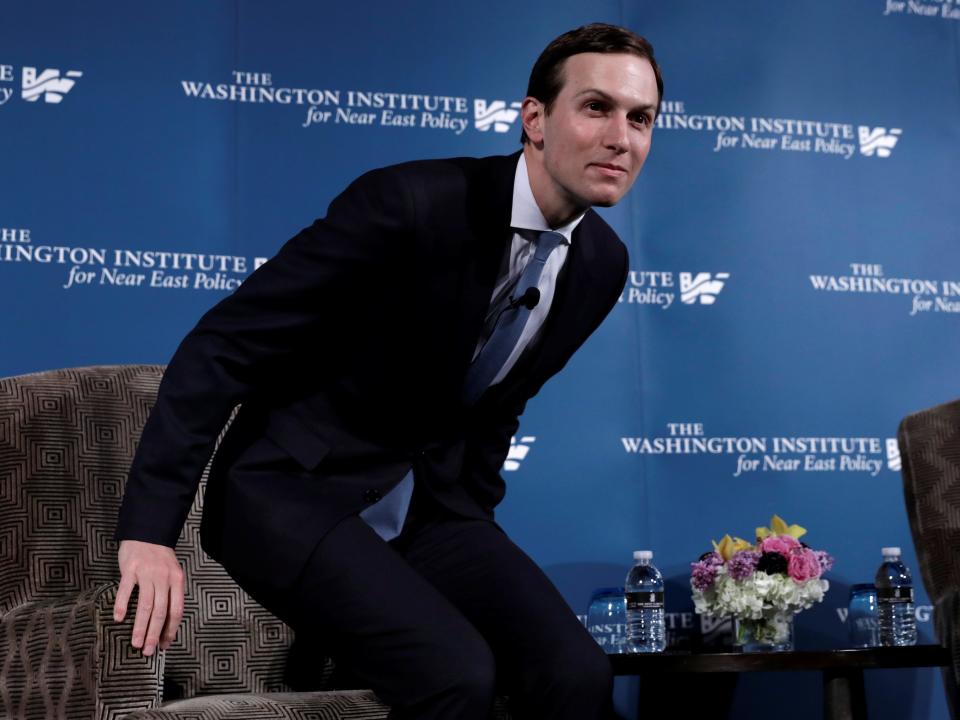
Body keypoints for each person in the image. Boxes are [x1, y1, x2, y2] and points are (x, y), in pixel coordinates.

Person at [114, 22, 663, 720]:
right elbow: (222, 346)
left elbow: (498, 405)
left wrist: (472, 530)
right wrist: (150, 534)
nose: (622, 136)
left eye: (640, 118)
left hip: (426, 505)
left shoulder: (601, 265)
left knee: (575, 671)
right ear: (534, 119)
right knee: (454, 671)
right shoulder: (411, 204)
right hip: (290, 489)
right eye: (596, 107)